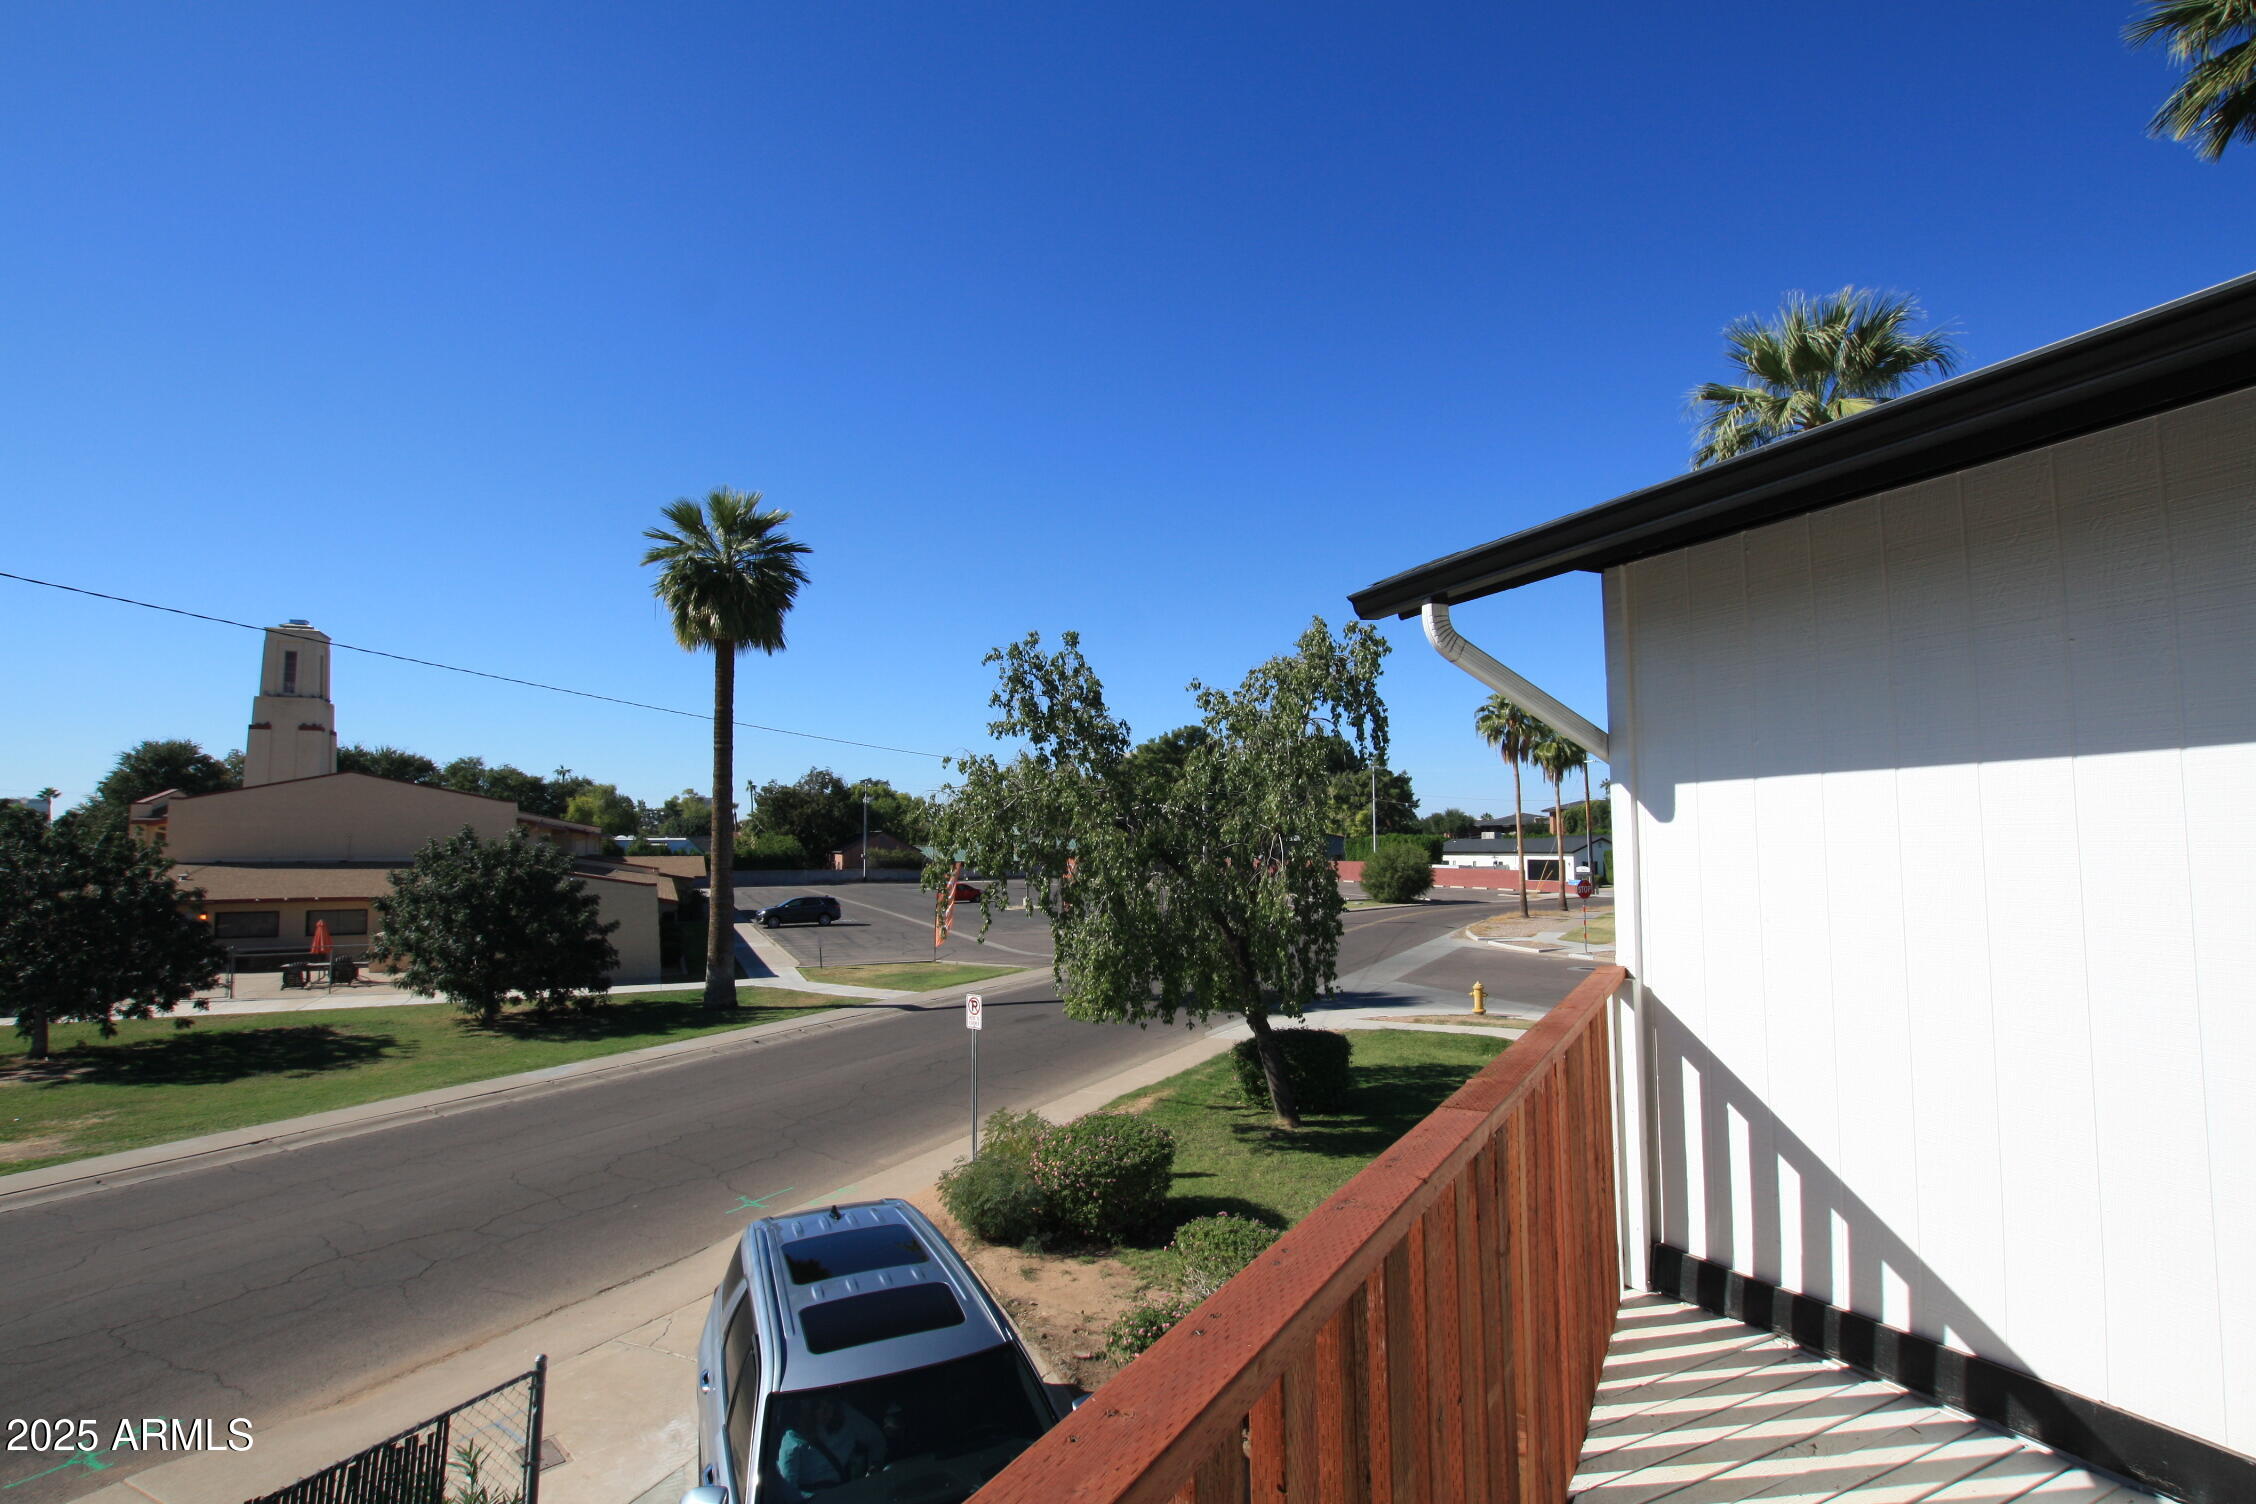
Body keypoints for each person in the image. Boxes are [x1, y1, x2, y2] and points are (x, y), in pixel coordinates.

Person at [775, 1393, 888, 1494]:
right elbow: (788, 1490)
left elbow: (876, 1440)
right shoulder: (792, 1437)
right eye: (817, 1405)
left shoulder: (847, 1417)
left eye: (829, 1401)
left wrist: (874, 1468)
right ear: (804, 1407)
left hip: (850, 1492)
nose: (825, 1409)